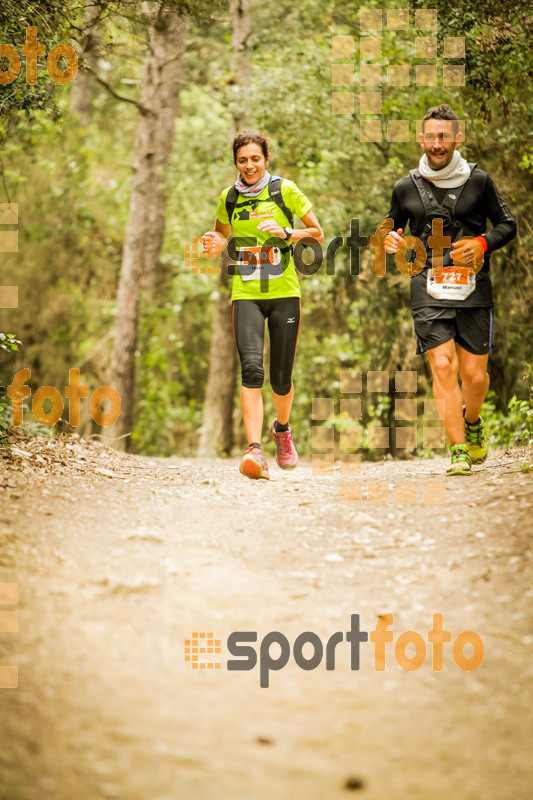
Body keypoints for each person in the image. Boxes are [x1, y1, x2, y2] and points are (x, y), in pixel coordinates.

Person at [383, 104, 517, 476]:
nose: (437, 143)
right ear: (420, 138)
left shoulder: (479, 181)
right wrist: (390, 239)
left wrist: (484, 244)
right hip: (426, 284)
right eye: (431, 136)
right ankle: (458, 449)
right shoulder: (405, 187)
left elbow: (508, 224)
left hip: (473, 288)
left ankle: (471, 421)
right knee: (442, 365)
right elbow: (388, 228)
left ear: (457, 138)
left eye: (444, 136)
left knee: (474, 377)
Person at [203, 129, 323, 480]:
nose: (250, 165)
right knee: (252, 369)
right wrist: (215, 241)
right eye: (243, 160)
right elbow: (222, 234)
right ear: (235, 163)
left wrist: (288, 233)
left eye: (256, 158)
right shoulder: (229, 198)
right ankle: (254, 449)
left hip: (284, 291)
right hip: (246, 293)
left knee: (281, 378)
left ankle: (282, 429)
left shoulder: (284, 190)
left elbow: (316, 231)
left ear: (265, 159)